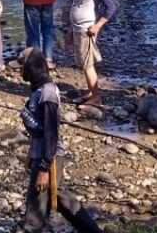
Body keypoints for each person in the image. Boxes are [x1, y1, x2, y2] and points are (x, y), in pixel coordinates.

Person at [20, 47, 105, 233]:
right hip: (42, 153)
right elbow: (39, 131)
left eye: (22, 66)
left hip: (48, 156)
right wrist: (31, 154)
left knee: (36, 205)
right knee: (59, 196)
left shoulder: (47, 95)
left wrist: (43, 168)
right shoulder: (39, 90)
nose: (20, 72)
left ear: (31, 68)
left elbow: (51, 134)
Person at [70, 0, 117, 106]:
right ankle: (91, 91)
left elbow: (111, 7)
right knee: (84, 63)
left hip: (87, 29)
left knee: (88, 64)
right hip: (76, 28)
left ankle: (96, 97)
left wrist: (97, 26)